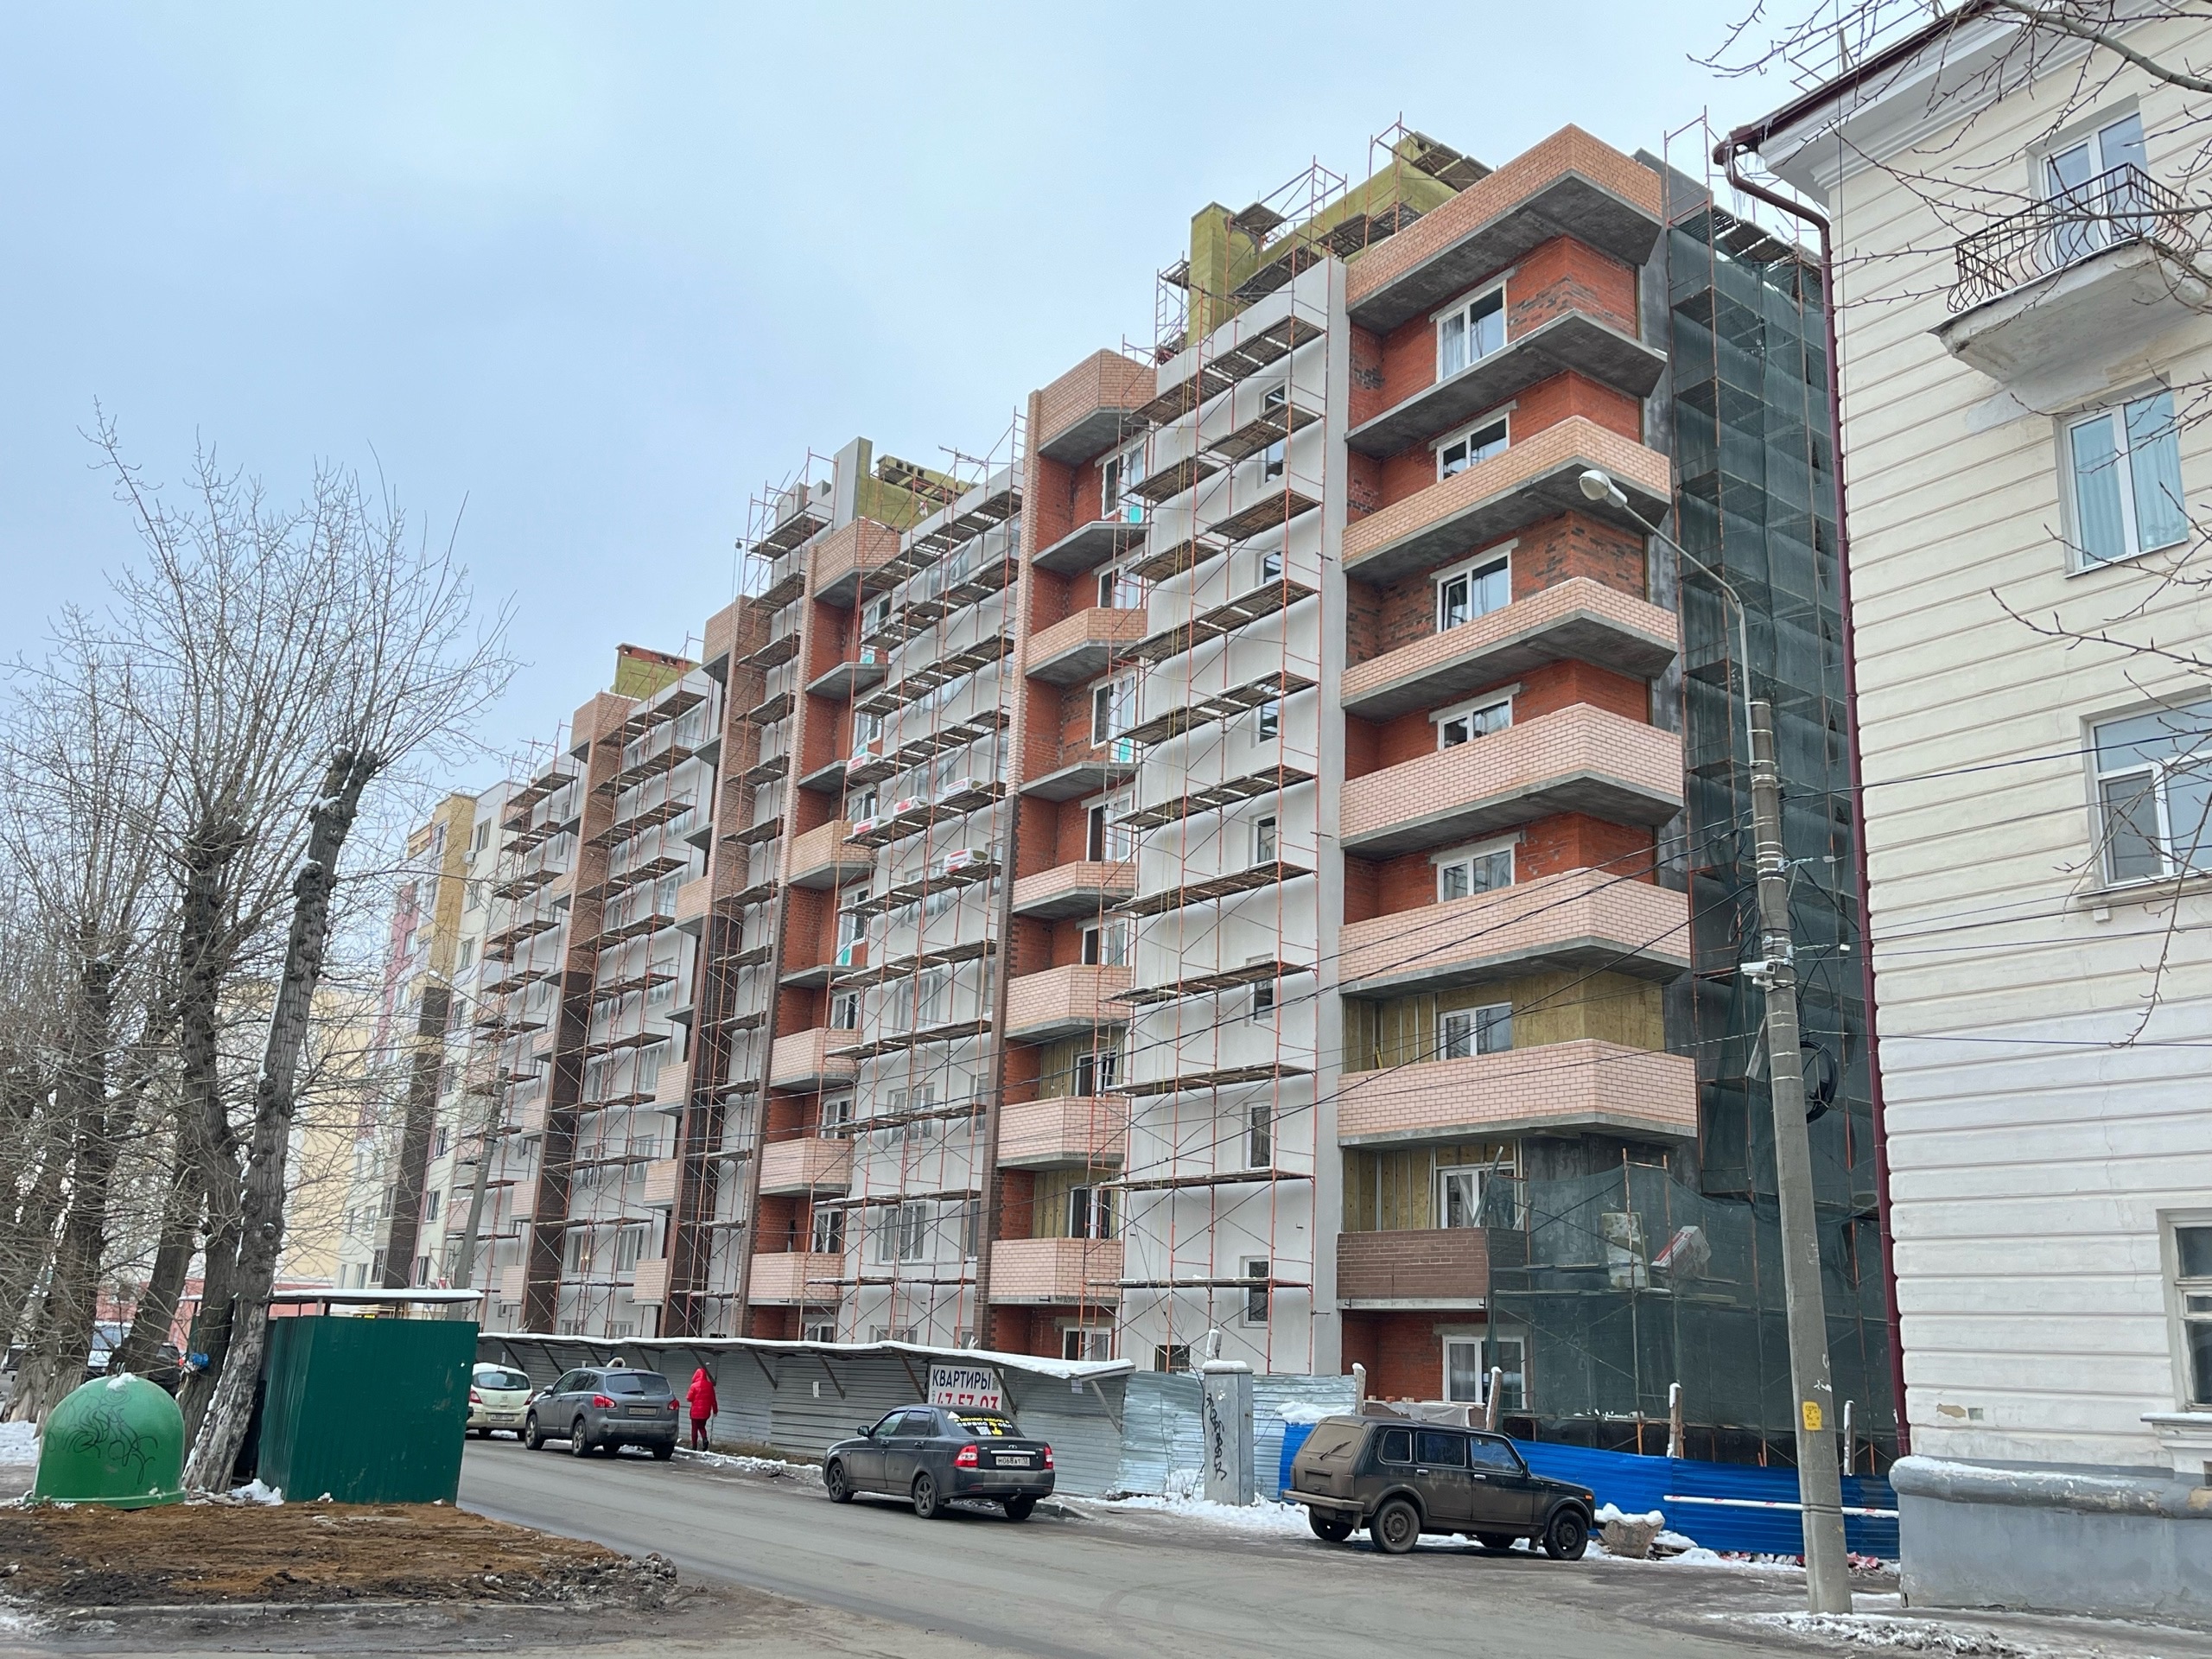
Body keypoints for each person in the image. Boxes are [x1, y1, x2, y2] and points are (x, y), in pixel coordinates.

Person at [686, 1364, 717, 1452]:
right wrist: (715, 1410)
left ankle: (694, 1446)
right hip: (705, 1412)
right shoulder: (710, 1386)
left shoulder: (694, 1386)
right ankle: (705, 1439)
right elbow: (713, 1399)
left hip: (695, 1412)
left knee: (694, 1429)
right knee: (702, 1426)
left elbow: (689, 1398)